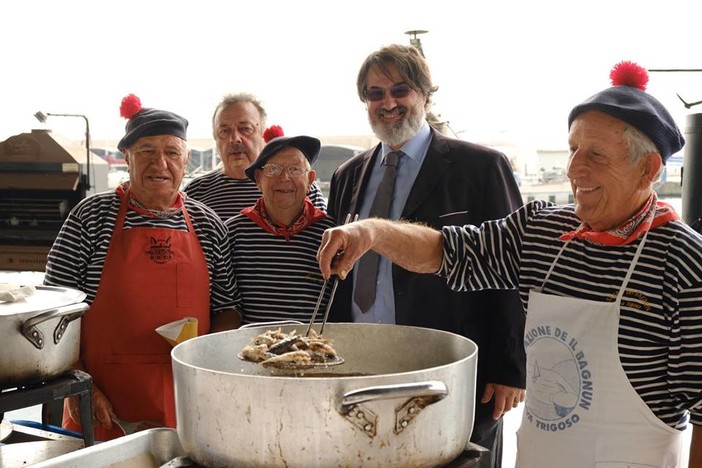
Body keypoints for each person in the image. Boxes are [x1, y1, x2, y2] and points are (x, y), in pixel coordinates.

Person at [318, 61, 702, 468]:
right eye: (572, 149)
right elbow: (444, 252)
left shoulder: (682, 262)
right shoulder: (540, 232)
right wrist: (373, 233)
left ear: (648, 169)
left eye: (596, 156)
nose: (574, 170)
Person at [325, 43, 526, 466]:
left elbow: (514, 270)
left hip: (448, 367)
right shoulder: (347, 176)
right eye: (375, 94)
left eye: (401, 89)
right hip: (363, 368)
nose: (388, 103)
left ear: (425, 95)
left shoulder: (481, 168)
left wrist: (510, 367)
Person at [43, 94, 239, 441]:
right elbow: (52, 314)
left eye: (171, 152)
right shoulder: (90, 219)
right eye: (147, 151)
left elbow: (226, 311)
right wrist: (77, 385)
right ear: (127, 157)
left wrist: (211, 377)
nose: (160, 163)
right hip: (100, 405)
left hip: (187, 405)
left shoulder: (209, 226)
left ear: (186, 160)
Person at [226, 131, 336, 324]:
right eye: (273, 169)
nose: (284, 178)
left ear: (310, 180)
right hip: (248, 350)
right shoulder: (232, 233)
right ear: (259, 179)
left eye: (295, 169)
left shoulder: (331, 235)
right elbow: (224, 305)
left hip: (314, 350)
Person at [183, 92, 326, 220]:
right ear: (215, 138)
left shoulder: (299, 187)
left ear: (263, 135)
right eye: (224, 131)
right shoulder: (195, 192)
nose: (235, 139)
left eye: (245, 129)